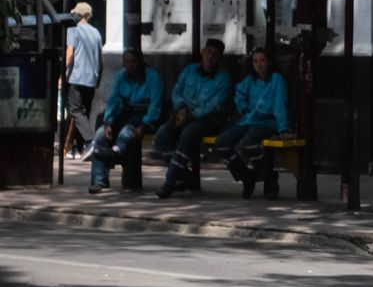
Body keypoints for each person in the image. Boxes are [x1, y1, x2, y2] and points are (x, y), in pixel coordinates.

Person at [154, 38, 232, 198]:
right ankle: (185, 176)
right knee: (162, 135)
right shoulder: (189, 71)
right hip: (183, 114)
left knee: (187, 134)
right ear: (203, 52)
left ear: (220, 58)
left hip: (210, 120)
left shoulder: (224, 79)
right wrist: (181, 108)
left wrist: (191, 115)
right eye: (208, 52)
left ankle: (169, 182)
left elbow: (214, 106)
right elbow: (177, 91)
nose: (210, 57)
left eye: (215, 54)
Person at [215, 47, 289, 200]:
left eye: (262, 60)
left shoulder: (276, 79)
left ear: (269, 62)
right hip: (249, 120)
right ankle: (246, 176)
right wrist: (243, 108)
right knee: (221, 142)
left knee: (247, 143)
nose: (259, 64)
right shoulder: (251, 80)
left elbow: (280, 104)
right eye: (255, 61)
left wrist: (282, 127)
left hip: (268, 122)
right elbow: (239, 92)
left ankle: (268, 176)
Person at [89, 49, 163, 194]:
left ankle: (115, 152)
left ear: (140, 62)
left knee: (126, 133)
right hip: (125, 112)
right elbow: (113, 99)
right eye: (127, 62)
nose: (130, 66)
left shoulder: (152, 77)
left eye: (133, 62)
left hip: (144, 115)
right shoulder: (121, 76)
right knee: (100, 135)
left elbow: (155, 105)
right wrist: (108, 122)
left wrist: (144, 125)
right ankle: (99, 180)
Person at [65, 2, 103, 160]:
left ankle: (89, 141)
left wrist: (65, 75)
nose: (73, 16)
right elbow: (100, 61)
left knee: (75, 110)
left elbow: (69, 56)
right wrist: (98, 79)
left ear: (79, 15)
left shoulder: (73, 30)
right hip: (91, 79)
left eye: (74, 13)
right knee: (84, 113)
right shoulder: (96, 33)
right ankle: (79, 148)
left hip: (76, 77)